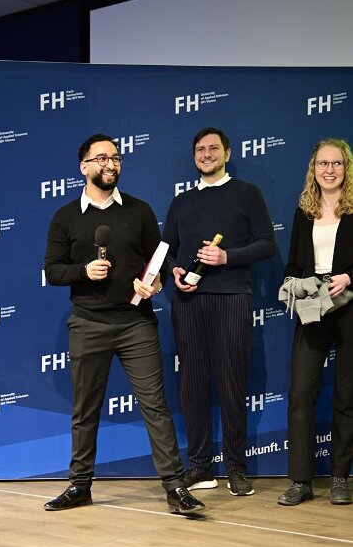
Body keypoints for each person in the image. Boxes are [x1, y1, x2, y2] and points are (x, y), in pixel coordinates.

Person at [43, 133, 204, 515]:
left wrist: (154, 285)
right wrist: (83, 271)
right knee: (85, 410)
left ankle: (175, 488)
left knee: (155, 407)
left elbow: (158, 266)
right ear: (84, 166)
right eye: (102, 158)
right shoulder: (65, 217)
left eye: (115, 158)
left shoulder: (139, 211)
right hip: (87, 323)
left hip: (136, 324)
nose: (110, 164)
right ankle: (79, 486)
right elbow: (53, 271)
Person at [163, 127, 275, 497]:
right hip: (188, 303)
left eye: (214, 148)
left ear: (227, 153)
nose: (207, 154)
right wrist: (174, 272)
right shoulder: (181, 201)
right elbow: (167, 250)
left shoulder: (248, 193)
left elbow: (267, 245)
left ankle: (236, 468)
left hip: (232, 300)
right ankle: (200, 466)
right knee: (193, 385)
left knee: (231, 385)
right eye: (200, 149)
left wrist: (227, 257)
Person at [278, 139, 353, 506]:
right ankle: (300, 481)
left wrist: (349, 277)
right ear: (314, 168)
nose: (329, 170)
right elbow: (294, 262)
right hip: (313, 305)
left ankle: (340, 477)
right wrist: (291, 283)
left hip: (349, 304)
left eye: (336, 163)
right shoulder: (303, 211)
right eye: (323, 163)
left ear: (346, 168)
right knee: (301, 392)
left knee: (347, 393)